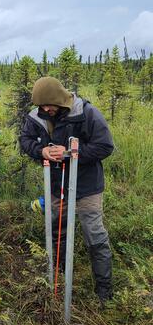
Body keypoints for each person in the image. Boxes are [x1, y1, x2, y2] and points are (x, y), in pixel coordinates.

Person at [20, 76, 114, 304]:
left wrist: (73, 153)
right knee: (56, 230)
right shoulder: (36, 117)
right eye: (40, 105)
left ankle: (104, 293)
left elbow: (105, 145)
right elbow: (25, 140)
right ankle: (58, 276)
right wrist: (42, 151)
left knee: (95, 235)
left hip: (86, 187)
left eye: (48, 104)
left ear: (58, 99)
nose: (45, 109)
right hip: (56, 186)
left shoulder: (86, 113)